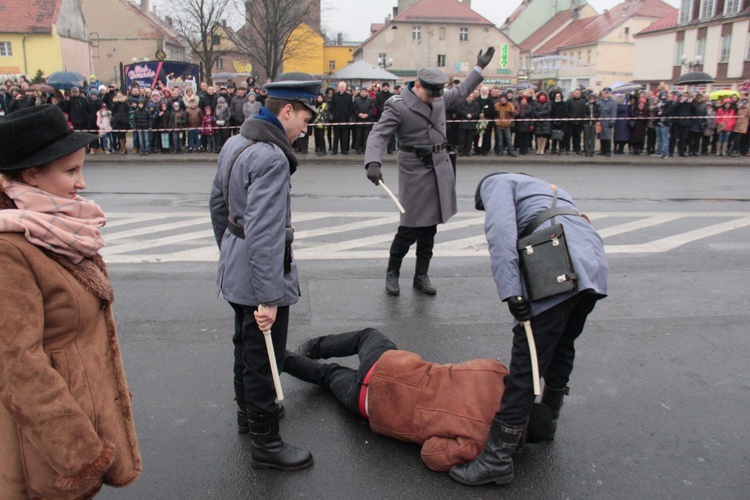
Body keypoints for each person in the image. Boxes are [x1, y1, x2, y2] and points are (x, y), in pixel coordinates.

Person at [0, 105, 141, 498]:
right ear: (31, 174)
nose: (81, 183)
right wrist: (80, 453)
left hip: (80, 421)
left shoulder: (56, 228)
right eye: (70, 171)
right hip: (48, 450)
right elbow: (18, 367)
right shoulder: (9, 249)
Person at [449, 172, 608, 487]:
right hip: (591, 260)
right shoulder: (544, 186)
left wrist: (512, 291)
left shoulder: (496, 184)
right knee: (562, 344)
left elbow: (501, 233)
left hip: (557, 265)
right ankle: (547, 421)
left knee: (527, 362)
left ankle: (497, 458)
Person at [209, 72, 321, 471]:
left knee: (245, 346)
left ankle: (247, 416)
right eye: (305, 119)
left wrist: (229, 249)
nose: (306, 129)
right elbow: (265, 232)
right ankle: (266, 442)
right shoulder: (272, 157)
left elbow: (217, 205)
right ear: (286, 110)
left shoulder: (236, 143)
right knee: (263, 355)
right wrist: (267, 296)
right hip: (261, 272)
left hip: (237, 264)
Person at [364, 47, 495, 296]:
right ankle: (392, 273)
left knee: (430, 228)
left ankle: (421, 275)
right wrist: (373, 163)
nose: (435, 99)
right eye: (430, 94)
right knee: (409, 228)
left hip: (440, 167)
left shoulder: (438, 99)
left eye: (438, 95)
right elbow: (379, 134)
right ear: (418, 86)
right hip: (414, 170)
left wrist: (479, 67)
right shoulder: (398, 106)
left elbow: (462, 90)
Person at [285, 328, 508, 472]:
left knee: (367, 336)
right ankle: (279, 357)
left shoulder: (495, 372)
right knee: (328, 375)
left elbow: (464, 368)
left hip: (388, 366)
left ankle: (311, 347)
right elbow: (431, 454)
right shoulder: (480, 441)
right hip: (372, 404)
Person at [329, 81, 353, 155]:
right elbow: (332, 106)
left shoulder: (349, 96)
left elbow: (351, 107)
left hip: (345, 119)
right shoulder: (334, 96)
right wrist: (334, 114)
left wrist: (348, 115)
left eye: (343, 87)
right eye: (340, 87)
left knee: (345, 136)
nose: (342, 88)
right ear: (338, 87)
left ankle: (344, 149)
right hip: (336, 119)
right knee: (336, 136)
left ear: (345, 88)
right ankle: (334, 150)